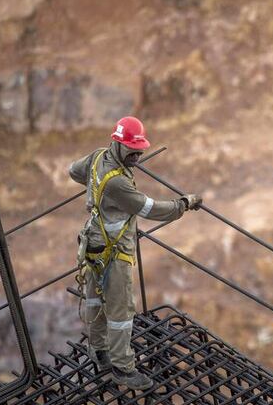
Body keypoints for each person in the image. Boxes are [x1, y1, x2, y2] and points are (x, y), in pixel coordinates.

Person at [69, 116, 202, 389]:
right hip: (114, 249)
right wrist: (183, 204)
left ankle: (99, 351)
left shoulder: (97, 157)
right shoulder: (117, 183)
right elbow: (150, 209)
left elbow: (74, 171)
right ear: (118, 144)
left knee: (95, 297)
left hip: (93, 242)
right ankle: (122, 367)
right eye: (133, 149)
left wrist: (96, 192)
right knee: (121, 310)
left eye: (140, 149)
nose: (138, 155)